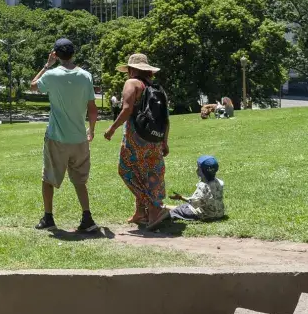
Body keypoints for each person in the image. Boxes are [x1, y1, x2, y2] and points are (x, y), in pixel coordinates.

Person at [30, 38, 99, 233]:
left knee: (48, 178)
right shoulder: (86, 76)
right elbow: (92, 109)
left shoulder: (52, 75)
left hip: (57, 138)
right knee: (80, 180)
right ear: (73, 53)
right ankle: (87, 218)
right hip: (79, 138)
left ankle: (48, 217)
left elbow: (33, 85)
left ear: (56, 55)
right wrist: (91, 130)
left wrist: (46, 65)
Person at [104, 53, 171, 230]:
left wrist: (112, 128)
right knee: (149, 172)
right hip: (154, 138)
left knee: (126, 171)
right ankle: (141, 212)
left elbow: (126, 109)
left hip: (137, 138)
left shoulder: (131, 83)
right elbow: (165, 117)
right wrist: (164, 141)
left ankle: (154, 209)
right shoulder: (157, 87)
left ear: (132, 69)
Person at [168, 156, 225, 222]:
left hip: (206, 215)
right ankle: (164, 206)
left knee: (177, 211)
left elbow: (194, 202)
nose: (197, 170)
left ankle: (161, 215)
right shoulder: (219, 182)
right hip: (219, 213)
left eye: (198, 168)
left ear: (202, 172)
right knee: (184, 206)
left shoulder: (203, 185)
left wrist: (181, 197)